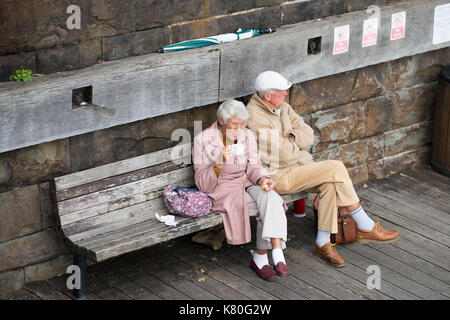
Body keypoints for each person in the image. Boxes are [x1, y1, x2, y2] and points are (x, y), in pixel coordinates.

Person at [246, 71, 399, 268]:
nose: (286, 94)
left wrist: (290, 139)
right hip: (278, 176)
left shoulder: (282, 106)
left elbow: (308, 134)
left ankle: (322, 243)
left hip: (299, 167)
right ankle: (365, 225)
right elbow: (282, 155)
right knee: (336, 167)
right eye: (282, 91)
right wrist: (294, 146)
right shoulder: (255, 117)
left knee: (330, 184)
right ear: (268, 95)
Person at [193, 98, 290, 281]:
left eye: (243, 124)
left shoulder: (247, 135)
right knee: (271, 203)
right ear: (222, 121)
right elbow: (202, 184)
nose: (239, 129)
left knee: (268, 194)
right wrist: (218, 163)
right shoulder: (203, 140)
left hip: (246, 182)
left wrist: (263, 178)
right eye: (235, 124)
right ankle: (265, 256)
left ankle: (272, 253)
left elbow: (254, 166)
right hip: (223, 191)